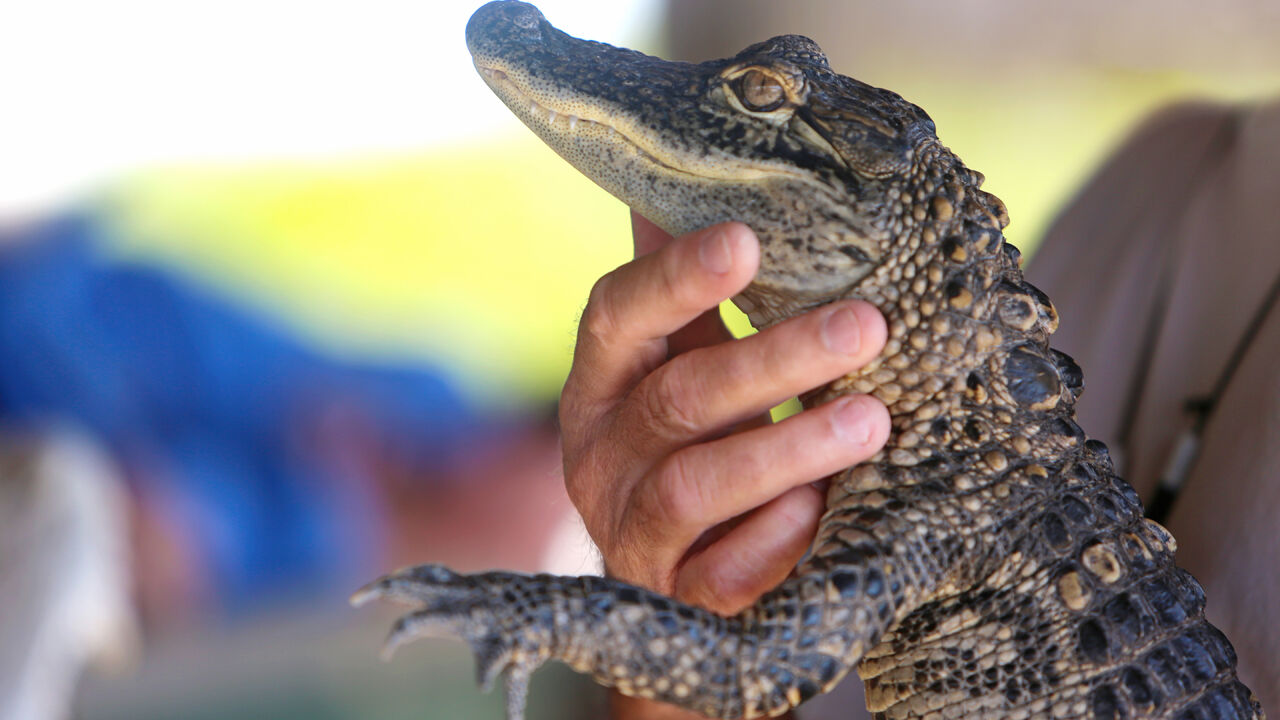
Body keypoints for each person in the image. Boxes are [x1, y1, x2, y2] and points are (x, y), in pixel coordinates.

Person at [558, 100, 1280, 719]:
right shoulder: (1160, 178)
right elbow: (756, 674)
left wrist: (529, 613)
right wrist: (685, 599)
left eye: (762, 97)